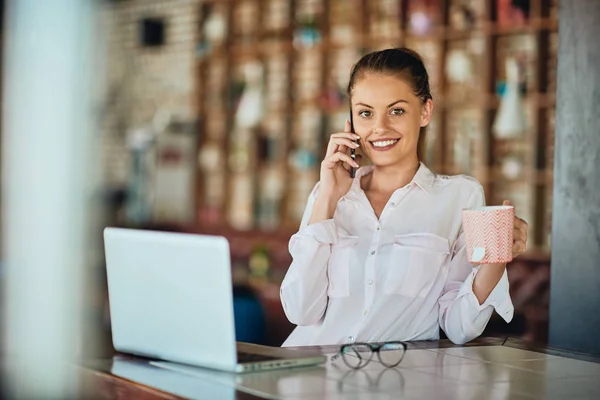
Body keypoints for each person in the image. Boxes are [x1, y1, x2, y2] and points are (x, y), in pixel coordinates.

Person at [279, 48, 529, 347]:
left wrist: (497, 260)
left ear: (425, 112)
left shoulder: (459, 197)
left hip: (397, 382)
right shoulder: (328, 194)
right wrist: (328, 200)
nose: (379, 127)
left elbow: (460, 327)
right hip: (311, 378)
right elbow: (300, 311)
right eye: (365, 113)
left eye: (396, 110)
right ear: (351, 120)